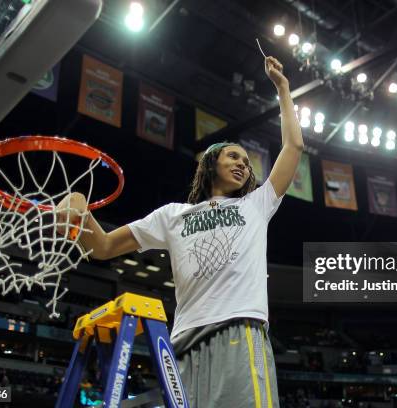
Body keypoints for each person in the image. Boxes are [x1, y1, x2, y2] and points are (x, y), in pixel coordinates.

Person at [58, 55, 303, 407]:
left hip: (238, 329)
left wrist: (282, 88)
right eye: (234, 156)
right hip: (181, 343)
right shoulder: (172, 215)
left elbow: (293, 147)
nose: (242, 165)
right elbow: (104, 247)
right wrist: (78, 211)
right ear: (211, 163)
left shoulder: (257, 204)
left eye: (246, 163)